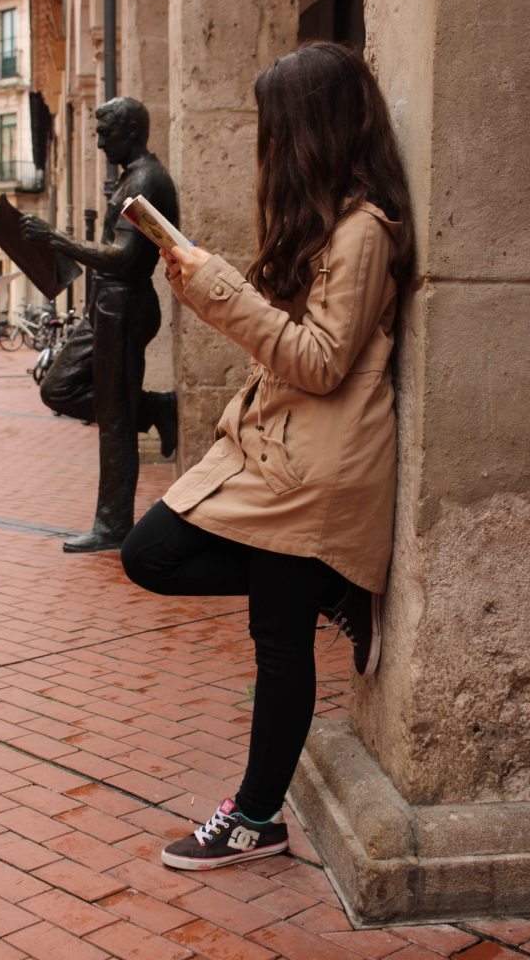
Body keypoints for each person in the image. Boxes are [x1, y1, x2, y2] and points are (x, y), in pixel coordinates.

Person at [120, 42, 414, 871]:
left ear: (316, 127)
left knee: (277, 645)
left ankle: (255, 819)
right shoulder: (326, 220)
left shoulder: (364, 231)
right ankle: (331, 585)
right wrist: (204, 278)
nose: (270, 143)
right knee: (150, 554)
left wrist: (219, 290)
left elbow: (320, 362)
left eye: (279, 127)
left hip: (313, 472)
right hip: (272, 453)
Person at [20, 97, 178, 552]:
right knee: (57, 387)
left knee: (114, 420)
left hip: (124, 305)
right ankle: (153, 409)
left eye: (106, 133)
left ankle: (113, 525)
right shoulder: (131, 176)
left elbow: (126, 257)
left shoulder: (147, 180)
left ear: (131, 131)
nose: (99, 142)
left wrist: (56, 239)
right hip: (107, 304)